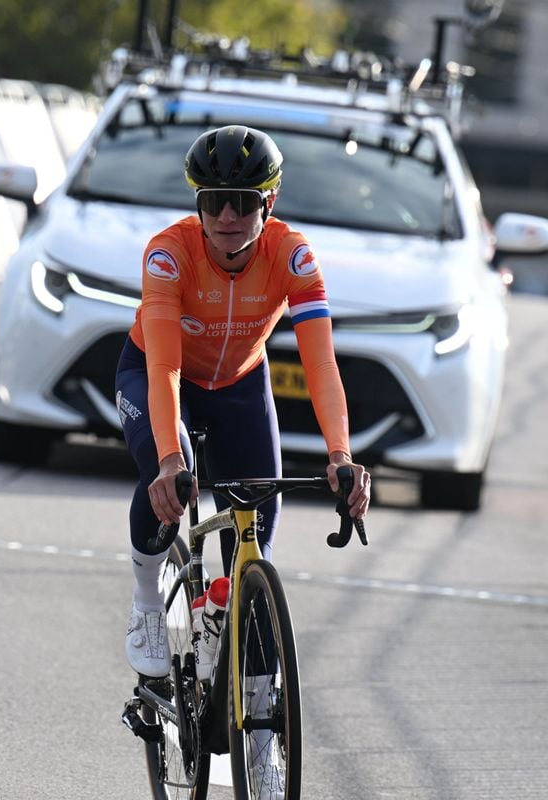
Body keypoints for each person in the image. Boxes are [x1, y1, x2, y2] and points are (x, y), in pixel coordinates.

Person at [114, 125, 370, 793]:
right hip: (156, 374)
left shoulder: (294, 256)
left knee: (258, 533)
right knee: (162, 485)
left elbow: (320, 361)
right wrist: (170, 457)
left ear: (270, 203)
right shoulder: (169, 254)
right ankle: (148, 602)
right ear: (198, 203)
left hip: (239, 385)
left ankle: (259, 736)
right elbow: (165, 362)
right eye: (215, 201)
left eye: (244, 202)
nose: (228, 217)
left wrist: (341, 455)